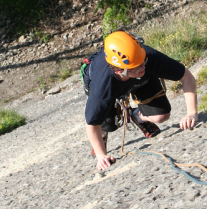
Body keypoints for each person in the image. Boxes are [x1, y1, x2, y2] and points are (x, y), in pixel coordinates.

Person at [83, 31, 198, 171]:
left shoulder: (145, 58)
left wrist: (191, 113)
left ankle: (134, 115)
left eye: (143, 62)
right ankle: (103, 134)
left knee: (161, 116)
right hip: (113, 89)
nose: (143, 66)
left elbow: (186, 77)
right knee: (108, 125)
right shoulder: (103, 85)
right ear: (120, 71)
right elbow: (91, 123)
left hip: (140, 81)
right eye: (137, 67)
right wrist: (101, 156)